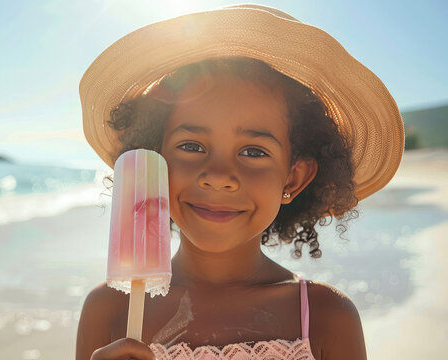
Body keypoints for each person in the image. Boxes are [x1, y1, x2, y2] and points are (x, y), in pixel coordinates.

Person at [76, 5, 404, 360]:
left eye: (253, 151)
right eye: (191, 146)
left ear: (294, 177)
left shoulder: (327, 317)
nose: (218, 176)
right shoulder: (108, 311)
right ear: (153, 165)